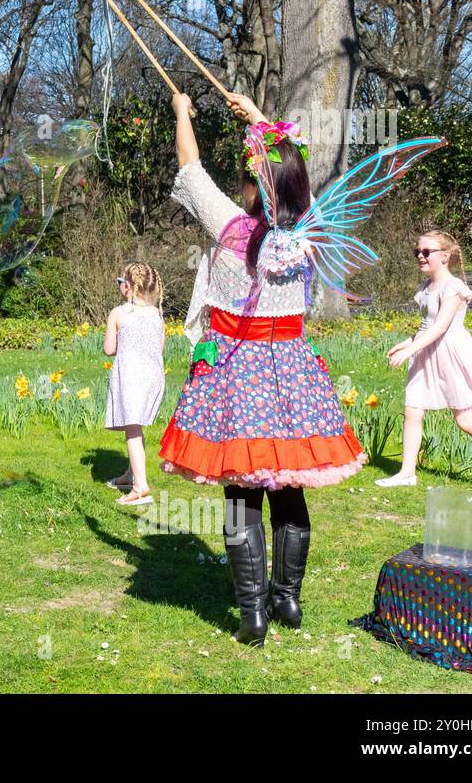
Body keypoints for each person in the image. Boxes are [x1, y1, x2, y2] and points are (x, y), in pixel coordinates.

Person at [158, 91, 365, 647]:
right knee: (289, 489)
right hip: (294, 378)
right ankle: (287, 598)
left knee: (241, 494)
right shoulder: (310, 236)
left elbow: (190, 169)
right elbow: (289, 175)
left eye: (249, 174)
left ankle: (252, 613)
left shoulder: (230, 226)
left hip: (236, 376)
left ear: (253, 184)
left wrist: (183, 113)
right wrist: (258, 120)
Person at [376, 231, 472, 494]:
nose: (420, 256)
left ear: (444, 256)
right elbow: (426, 326)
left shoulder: (453, 288)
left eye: (426, 252)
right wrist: (407, 343)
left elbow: (441, 328)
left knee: (464, 418)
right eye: (417, 252)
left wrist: (411, 350)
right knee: (413, 411)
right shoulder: (425, 288)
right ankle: (407, 472)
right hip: (426, 352)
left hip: (448, 355)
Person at [103, 263, 166, 506]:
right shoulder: (155, 313)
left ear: (127, 286)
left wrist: (126, 343)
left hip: (131, 376)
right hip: (153, 377)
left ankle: (140, 487)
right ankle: (130, 475)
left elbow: (109, 349)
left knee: (132, 430)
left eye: (120, 281)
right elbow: (159, 348)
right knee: (137, 428)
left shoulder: (118, 313)